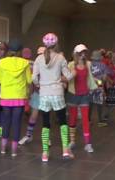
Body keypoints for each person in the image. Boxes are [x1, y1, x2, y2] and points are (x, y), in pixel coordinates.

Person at [32, 33, 74, 162]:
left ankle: (45, 153)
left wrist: (40, 84)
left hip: (44, 93)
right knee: (62, 121)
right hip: (57, 92)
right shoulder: (61, 58)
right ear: (56, 44)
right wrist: (67, 77)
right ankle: (65, 150)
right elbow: (69, 76)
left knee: (45, 123)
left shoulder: (38, 59)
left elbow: (34, 78)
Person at [0, 40, 32, 156]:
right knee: (16, 123)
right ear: (20, 51)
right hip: (19, 97)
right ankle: (14, 150)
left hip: (6, 96)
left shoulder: (2, 62)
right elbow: (29, 80)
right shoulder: (25, 63)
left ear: (9, 50)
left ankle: (2, 148)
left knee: (5, 122)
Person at [67, 44, 97, 153]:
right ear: (76, 54)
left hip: (85, 94)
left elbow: (91, 78)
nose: (83, 55)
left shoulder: (88, 64)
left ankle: (88, 143)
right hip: (73, 95)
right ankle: (72, 141)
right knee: (72, 119)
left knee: (85, 119)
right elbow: (66, 78)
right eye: (80, 53)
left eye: (84, 52)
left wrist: (94, 87)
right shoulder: (70, 65)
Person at [19, 47, 45, 145]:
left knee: (45, 117)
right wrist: (30, 93)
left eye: (42, 54)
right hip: (37, 93)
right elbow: (32, 81)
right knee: (33, 115)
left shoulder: (49, 65)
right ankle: (29, 135)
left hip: (46, 93)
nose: (41, 56)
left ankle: (46, 137)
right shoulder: (35, 65)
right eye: (39, 54)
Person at [89, 50, 110, 127]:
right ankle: (100, 120)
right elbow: (104, 78)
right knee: (99, 103)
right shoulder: (103, 65)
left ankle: (88, 120)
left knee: (90, 103)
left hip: (90, 86)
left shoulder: (89, 65)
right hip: (99, 86)